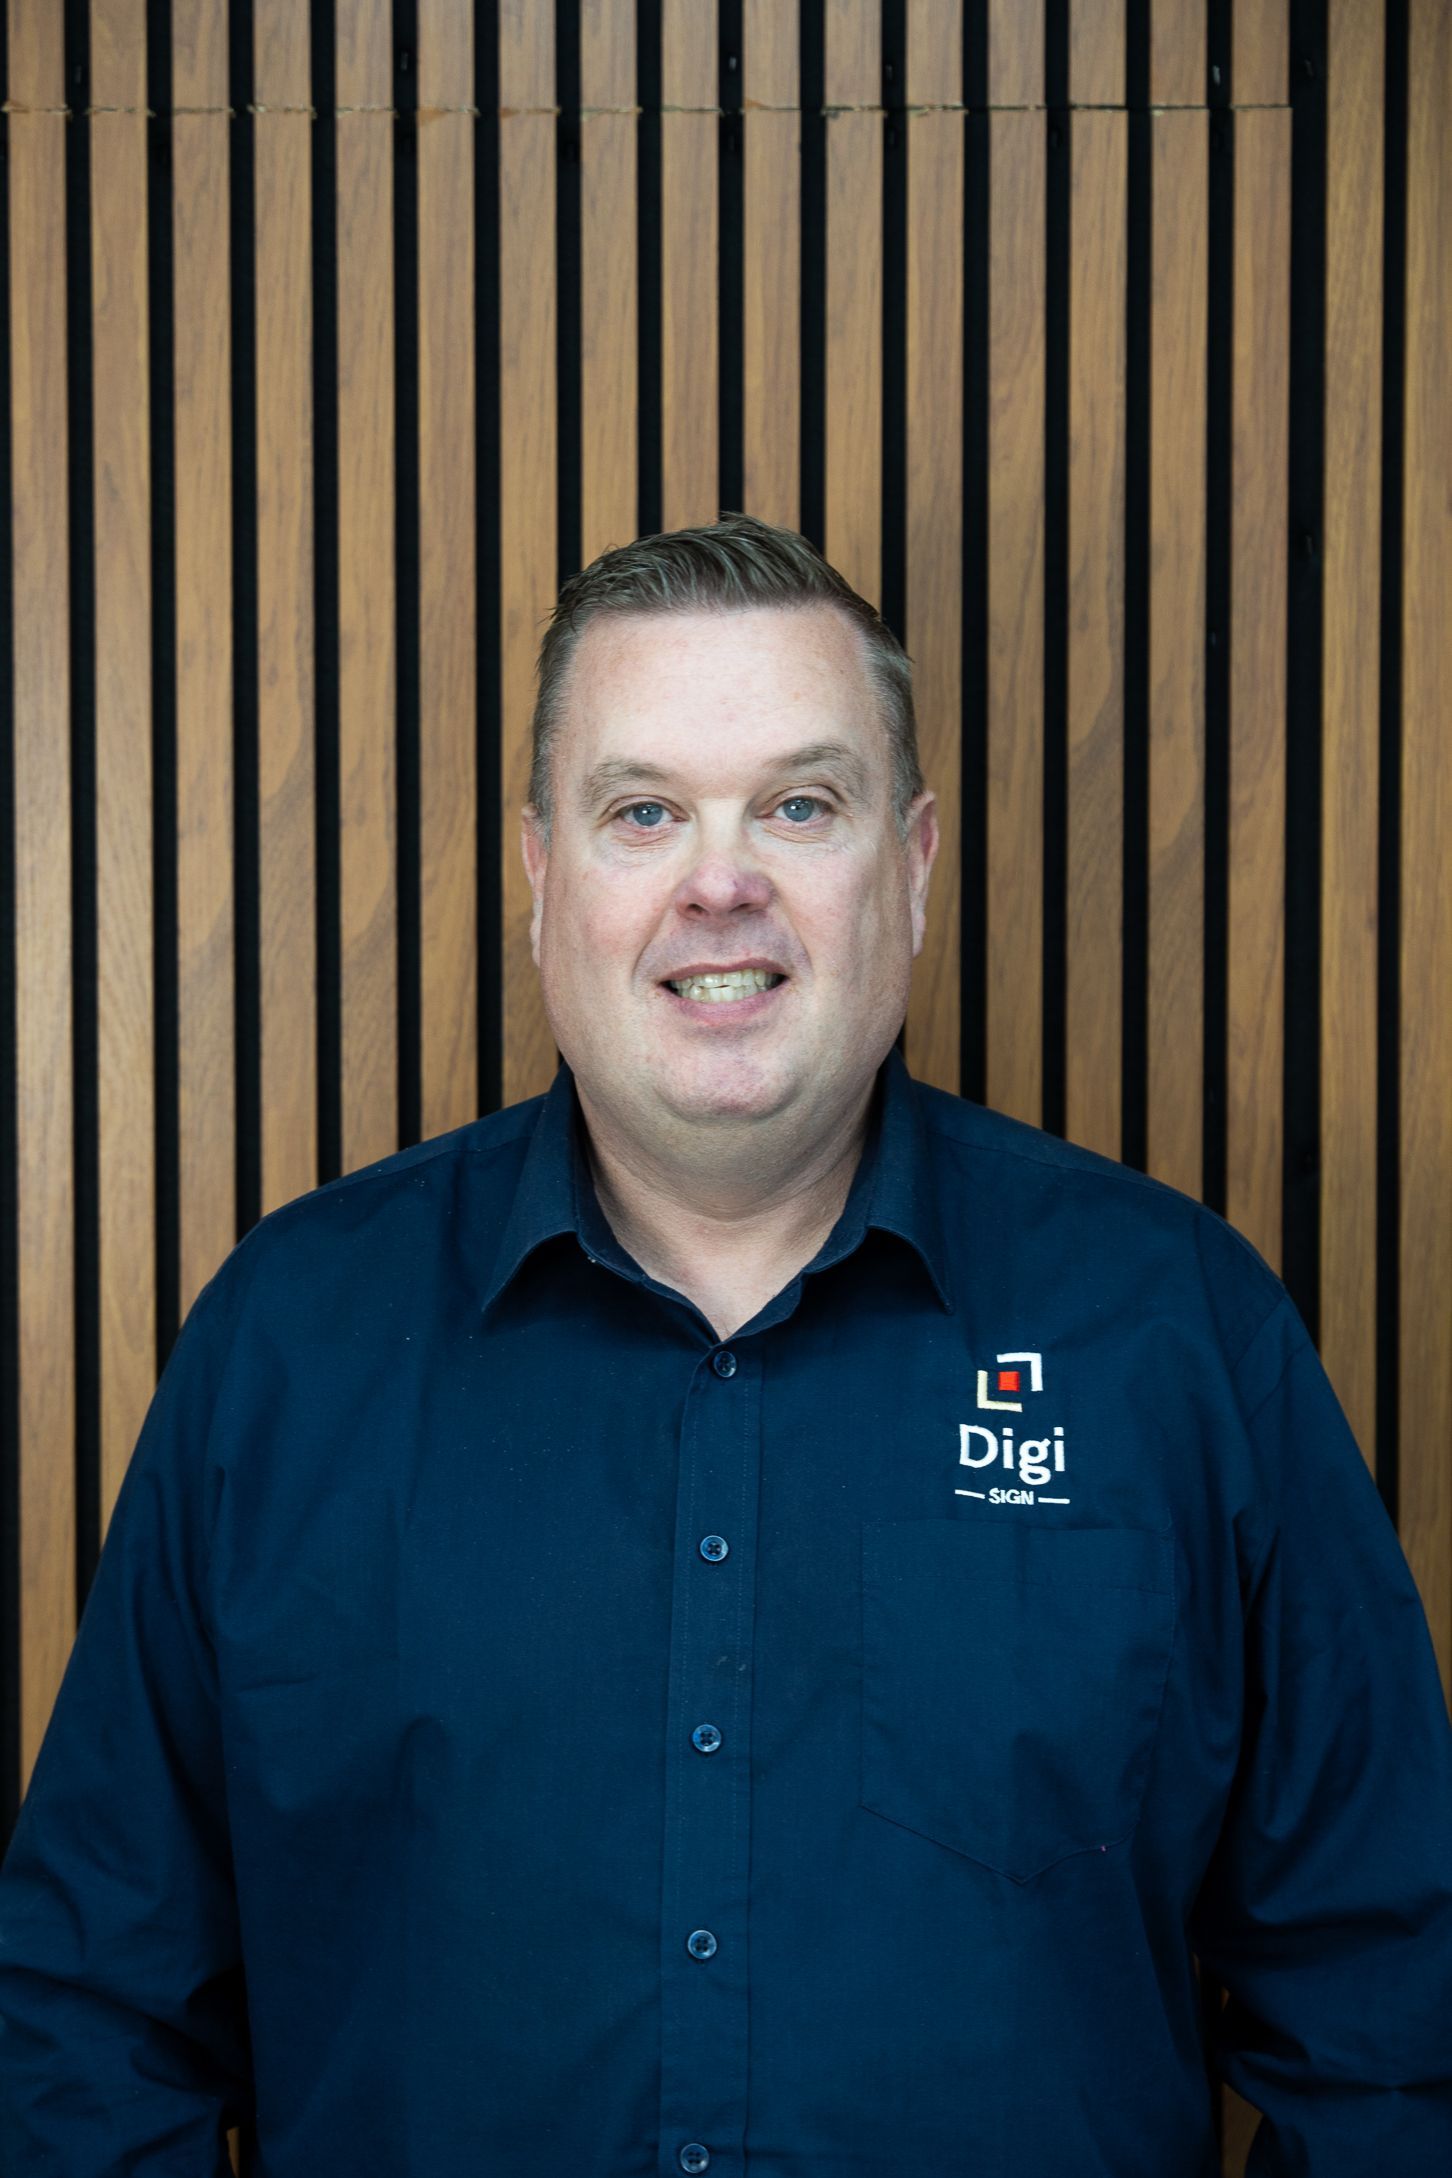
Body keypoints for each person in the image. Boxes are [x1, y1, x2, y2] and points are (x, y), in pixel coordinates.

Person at [1, 515, 1449, 2178]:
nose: (720, 881)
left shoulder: (1177, 1335)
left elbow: (1396, 2015)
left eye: (799, 803)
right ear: (544, 868)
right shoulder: (289, 1349)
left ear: (908, 863)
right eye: (643, 811)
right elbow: (92, 2019)